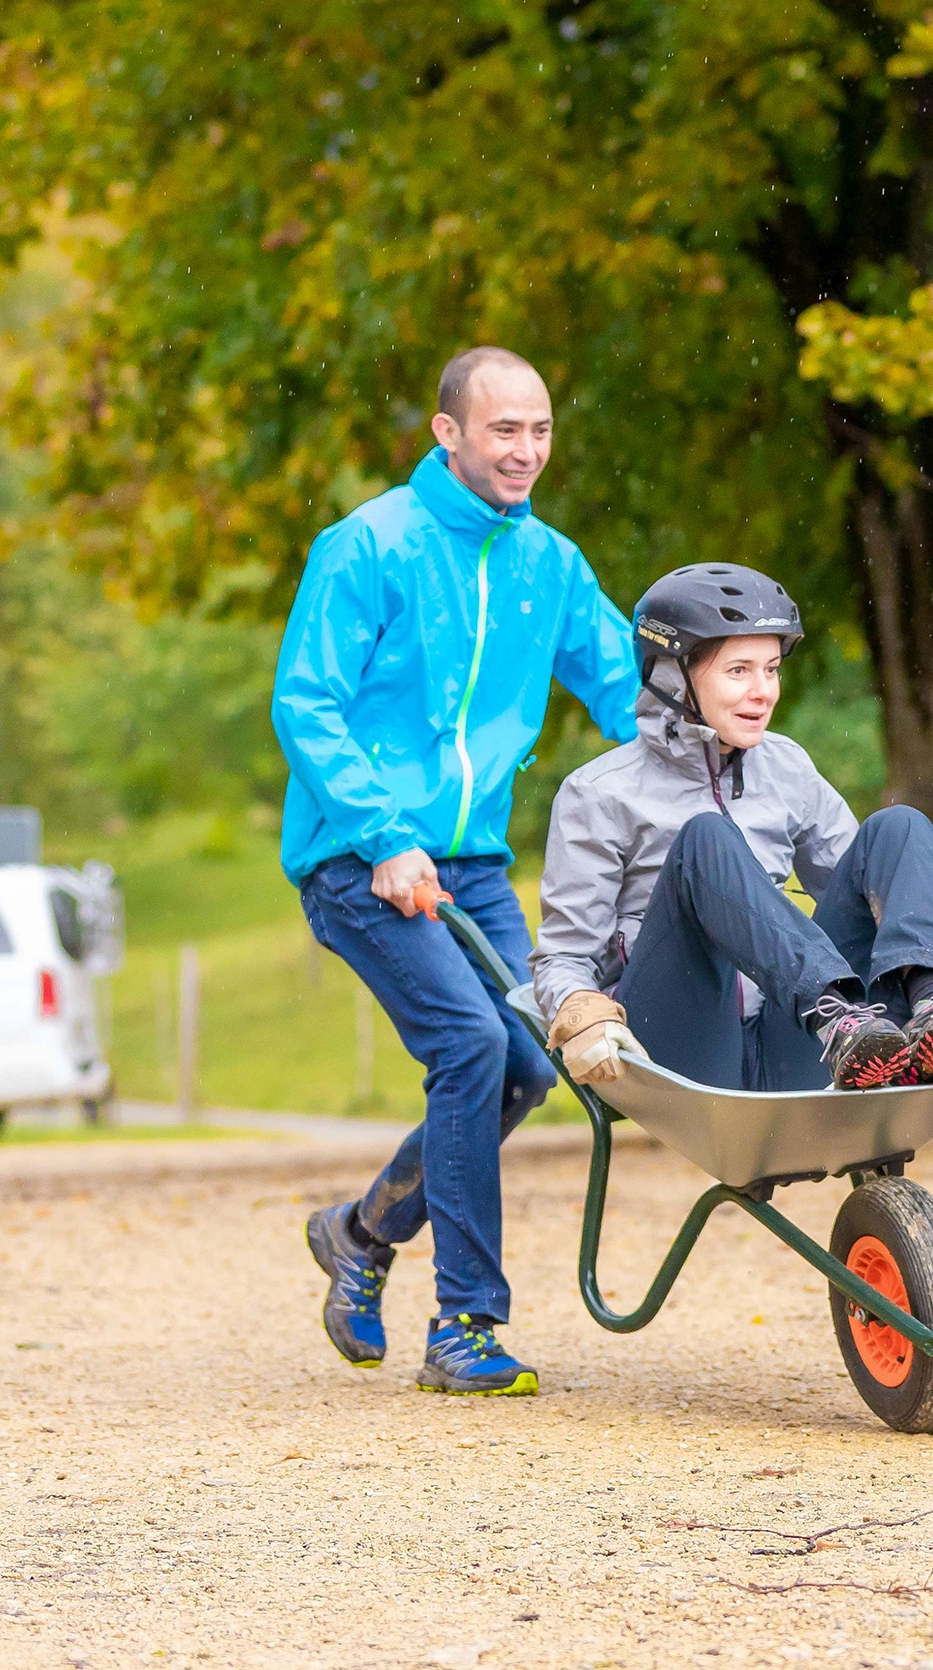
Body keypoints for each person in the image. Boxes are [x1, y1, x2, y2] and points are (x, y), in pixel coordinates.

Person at [284, 347, 640, 1398]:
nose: (525, 450)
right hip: (359, 855)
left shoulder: (549, 565)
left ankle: (358, 1233)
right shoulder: (366, 547)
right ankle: (465, 1325)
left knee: (530, 1064)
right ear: (448, 433)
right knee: (469, 1046)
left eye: (538, 430)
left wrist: (718, 758)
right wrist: (384, 835)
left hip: (472, 860)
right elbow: (307, 704)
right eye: (503, 430)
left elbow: (626, 687)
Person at [530, 564, 933, 1096]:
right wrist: (578, 1008)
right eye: (738, 671)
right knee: (706, 840)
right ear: (673, 676)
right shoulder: (600, 792)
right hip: (679, 1045)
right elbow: (562, 956)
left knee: (898, 828)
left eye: (771, 669)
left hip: (798, 1033)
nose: (764, 692)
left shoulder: (785, 765)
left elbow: (863, 885)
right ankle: (835, 1014)